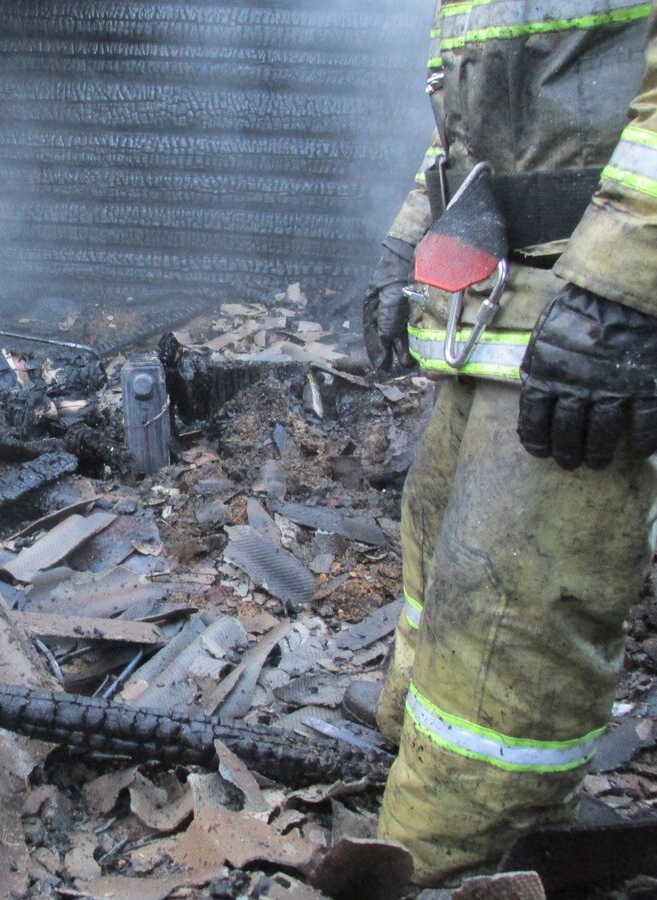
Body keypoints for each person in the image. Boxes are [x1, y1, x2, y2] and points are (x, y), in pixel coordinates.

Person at [359, 0, 657, 884]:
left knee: (510, 610)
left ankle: (456, 863)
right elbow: (472, 120)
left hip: (588, 308)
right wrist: (410, 243)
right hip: (510, 312)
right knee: (440, 553)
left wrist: (625, 290)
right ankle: (415, 765)